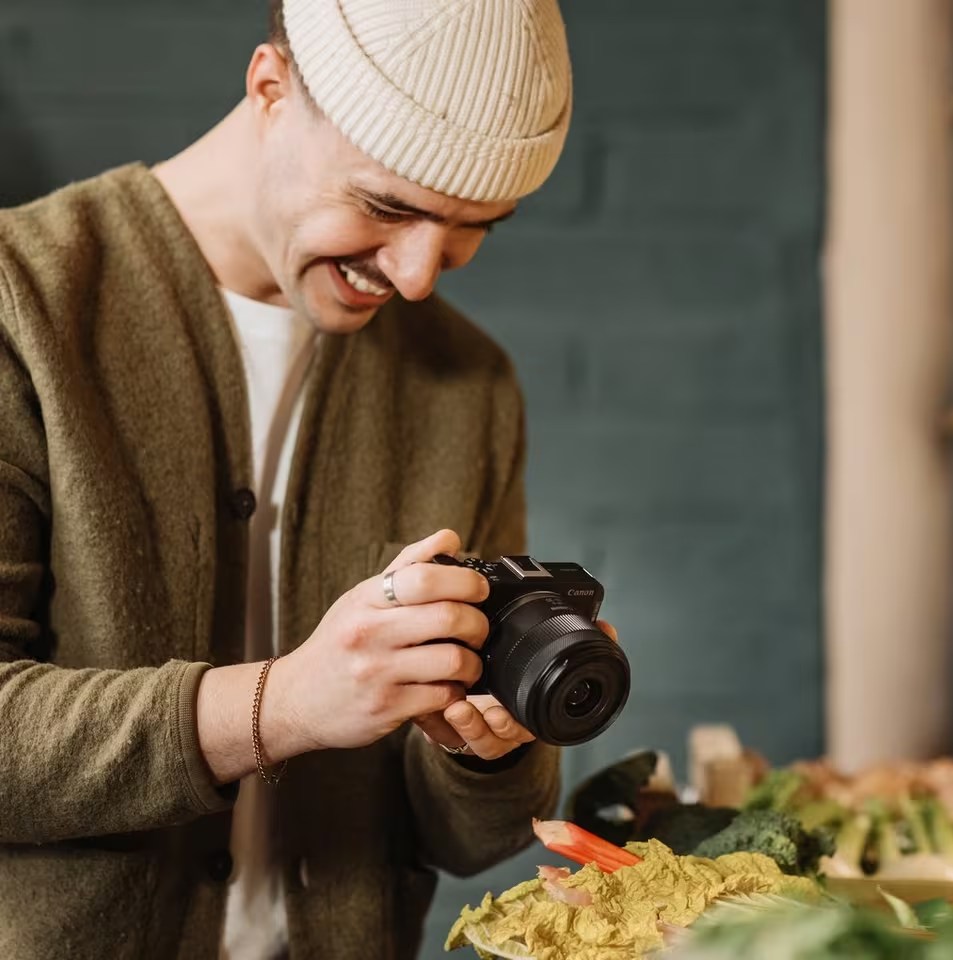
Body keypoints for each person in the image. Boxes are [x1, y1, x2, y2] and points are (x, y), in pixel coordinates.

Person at [0, 0, 614, 957]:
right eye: (387, 205)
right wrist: (287, 703)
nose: (417, 275)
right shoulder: (20, 306)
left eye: (473, 228)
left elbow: (476, 840)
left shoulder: (469, 386)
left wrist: (487, 745)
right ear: (270, 90)